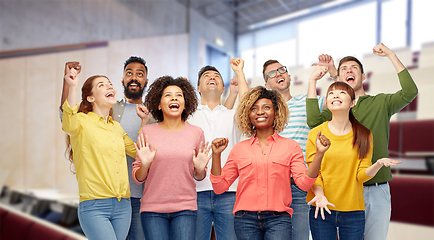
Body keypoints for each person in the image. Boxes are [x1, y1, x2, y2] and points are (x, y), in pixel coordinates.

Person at [306, 43, 418, 240]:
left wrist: (391, 55)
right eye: (344, 70)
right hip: (343, 191)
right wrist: (316, 81)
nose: (349, 71)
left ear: (364, 76)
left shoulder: (381, 103)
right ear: (338, 79)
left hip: (376, 188)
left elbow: (410, 92)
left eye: (354, 68)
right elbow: (314, 122)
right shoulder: (337, 110)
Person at [210, 86, 330, 240]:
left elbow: (304, 184)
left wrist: (320, 153)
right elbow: (220, 187)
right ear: (248, 114)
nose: (260, 112)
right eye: (254, 108)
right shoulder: (238, 149)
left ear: (276, 112)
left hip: (279, 220)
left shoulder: (291, 146)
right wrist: (216, 155)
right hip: (245, 220)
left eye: (266, 107)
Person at [60, 56, 151, 240]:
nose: (109, 87)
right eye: (102, 85)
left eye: (109, 84)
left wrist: (145, 122)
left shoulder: (116, 128)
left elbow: (138, 152)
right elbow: (67, 120)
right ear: (90, 97)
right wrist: (72, 87)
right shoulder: (80, 122)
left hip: (122, 205)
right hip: (94, 205)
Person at [306, 80, 402, 240]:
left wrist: (377, 165)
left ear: (353, 102)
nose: (335, 95)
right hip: (321, 208)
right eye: (331, 93)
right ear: (328, 102)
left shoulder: (364, 135)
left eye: (342, 92)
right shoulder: (316, 133)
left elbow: (361, 176)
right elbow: (314, 172)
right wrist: (320, 195)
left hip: (353, 210)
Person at [132, 76, 211, 240]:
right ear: (159, 104)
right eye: (168, 95)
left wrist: (199, 168)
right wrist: (145, 165)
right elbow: (138, 178)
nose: (174, 98)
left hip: (185, 209)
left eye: (179, 95)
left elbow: (200, 176)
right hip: (152, 210)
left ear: (184, 104)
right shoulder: (147, 132)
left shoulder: (196, 133)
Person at [262, 59, 325, 240]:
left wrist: (330, 74)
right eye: (272, 73)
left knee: (300, 236)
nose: (278, 74)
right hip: (271, 184)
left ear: (289, 76)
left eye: (281, 70)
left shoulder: (308, 102)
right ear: (267, 84)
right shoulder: (264, 112)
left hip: (299, 184)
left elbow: (341, 100)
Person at [188, 58, 249, 240]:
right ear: (198, 88)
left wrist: (239, 72)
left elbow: (248, 105)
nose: (212, 77)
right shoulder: (188, 115)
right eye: (206, 76)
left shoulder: (232, 115)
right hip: (195, 192)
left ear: (224, 89)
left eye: (217, 76)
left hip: (229, 191)